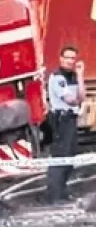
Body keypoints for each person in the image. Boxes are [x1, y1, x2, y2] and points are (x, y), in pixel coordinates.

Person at [46, 45, 86, 204]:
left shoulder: (74, 77)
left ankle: (62, 192)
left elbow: (82, 96)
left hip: (70, 119)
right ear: (61, 59)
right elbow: (71, 100)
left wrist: (80, 76)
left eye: (73, 58)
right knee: (60, 157)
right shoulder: (57, 77)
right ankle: (54, 196)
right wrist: (78, 99)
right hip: (60, 120)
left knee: (70, 156)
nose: (70, 61)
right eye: (67, 57)